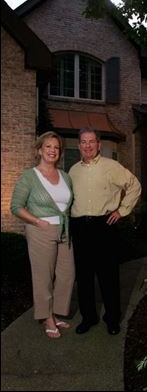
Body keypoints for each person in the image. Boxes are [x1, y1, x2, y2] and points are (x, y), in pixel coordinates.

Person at [69, 127, 141, 335]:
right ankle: (88, 317)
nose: (88, 145)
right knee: (83, 277)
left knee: (108, 276)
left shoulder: (112, 166)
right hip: (80, 227)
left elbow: (134, 185)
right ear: (79, 145)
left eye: (92, 141)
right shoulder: (73, 171)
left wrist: (122, 210)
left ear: (98, 145)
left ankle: (112, 319)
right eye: (84, 142)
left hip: (104, 226)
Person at [10, 131, 75, 339]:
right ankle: (46, 317)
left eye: (56, 148)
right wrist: (36, 221)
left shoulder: (65, 176)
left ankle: (55, 313)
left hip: (64, 230)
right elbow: (16, 207)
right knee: (43, 276)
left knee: (67, 274)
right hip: (40, 230)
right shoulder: (29, 177)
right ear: (39, 150)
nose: (52, 151)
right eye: (48, 147)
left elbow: (68, 204)